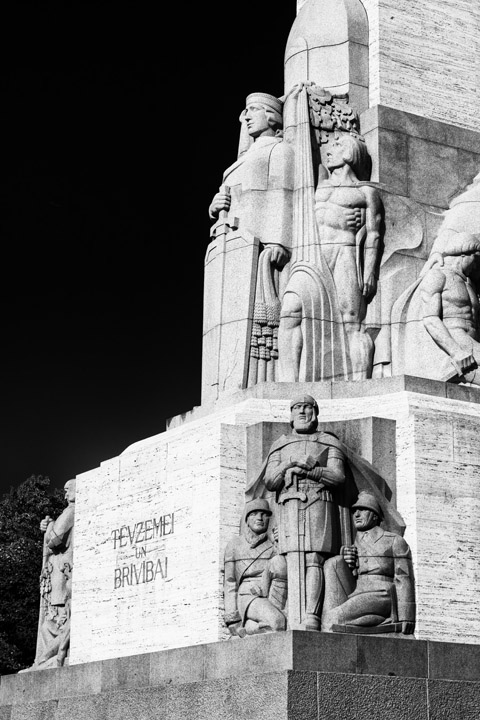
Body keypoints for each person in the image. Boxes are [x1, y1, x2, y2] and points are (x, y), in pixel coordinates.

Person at [279, 131, 383, 381]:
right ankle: (289, 383)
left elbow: (374, 234)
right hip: (313, 256)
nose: (328, 151)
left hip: (345, 254)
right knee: (290, 311)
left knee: (351, 321)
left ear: (348, 153)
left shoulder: (366, 192)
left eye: (335, 147)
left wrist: (369, 271)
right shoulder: (316, 185)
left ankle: (360, 385)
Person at [261, 395, 347, 630]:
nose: (302, 412)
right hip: (288, 506)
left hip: (319, 502)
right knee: (287, 561)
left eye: (308, 408)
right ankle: (287, 614)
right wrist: (289, 463)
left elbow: (338, 477)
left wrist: (313, 470)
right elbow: (270, 480)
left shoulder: (329, 442)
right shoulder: (280, 444)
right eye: (297, 408)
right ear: (290, 415)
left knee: (314, 559)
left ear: (315, 413)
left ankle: (312, 616)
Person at [322, 491, 416, 634]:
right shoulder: (353, 543)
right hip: (356, 591)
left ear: (374, 515)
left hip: (381, 593)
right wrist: (348, 564)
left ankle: (378, 622)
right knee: (333, 563)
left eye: (363, 509)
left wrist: (406, 616)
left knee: (332, 619)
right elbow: (352, 576)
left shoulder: (393, 541)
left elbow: (403, 578)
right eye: (354, 511)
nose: (357, 515)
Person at [25, 479, 76, 670]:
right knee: (54, 621)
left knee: (54, 622)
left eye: (67, 490)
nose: (64, 495)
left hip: (62, 574)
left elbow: (54, 539)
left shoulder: (71, 512)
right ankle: (46, 661)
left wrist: (49, 527)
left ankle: (45, 661)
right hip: (61, 573)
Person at [419, 233, 480, 383]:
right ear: (465, 254)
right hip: (457, 341)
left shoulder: (469, 284)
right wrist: (456, 352)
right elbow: (430, 320)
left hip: (473, 343)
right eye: (476, 259)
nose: (477, 265)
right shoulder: (437, 276)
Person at [223, 498, 287, 637]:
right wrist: (232, 619)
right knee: (278, 622)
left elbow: (283, 568)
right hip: (247, 595)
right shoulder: (234, 545)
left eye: (264, 514)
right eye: (254, 513)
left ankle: (250, 627)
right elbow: (230, 582)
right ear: (246, 519)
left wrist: (282, 542)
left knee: (281, 623)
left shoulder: (272, 545)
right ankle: (248, 627)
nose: (259, 518)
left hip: (272, 592)